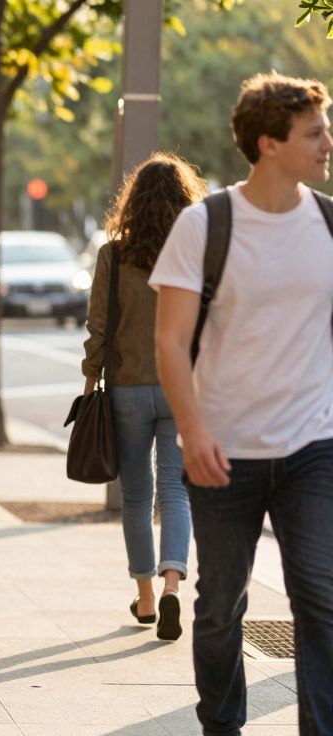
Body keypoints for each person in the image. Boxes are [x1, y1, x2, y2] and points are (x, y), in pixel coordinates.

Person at [152, 72, 333, 733]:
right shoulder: (207, 225)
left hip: (315, 447)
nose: (327, 143)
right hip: (223, 451)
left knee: (322, 599)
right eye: (314, 132)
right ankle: (221, 727)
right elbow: (169, 341)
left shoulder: (330, 224)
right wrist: (193, 431)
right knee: (220, 607)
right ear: (269, 144)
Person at [83, 153, 206, 641]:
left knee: (136, 496)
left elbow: (98, 328)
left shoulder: (112, 256)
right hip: (182, 387)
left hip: (128, 388)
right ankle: (173, 584)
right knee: (176, 492)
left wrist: (91, 376)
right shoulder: (195, 253)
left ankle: (146, 599)